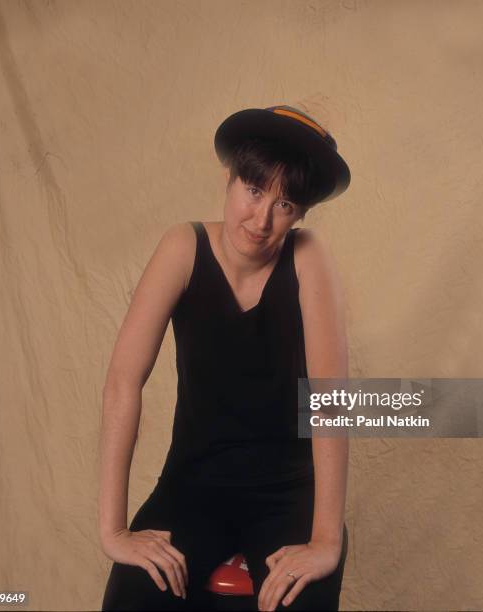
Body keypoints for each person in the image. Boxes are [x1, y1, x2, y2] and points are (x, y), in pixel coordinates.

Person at [98, 105, 352, 611]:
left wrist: (326, 539)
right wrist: (113, 531)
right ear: (230, 180)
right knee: (132, 596)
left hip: (287, 494)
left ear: (300, 213)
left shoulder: (307, 257)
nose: (260, 220)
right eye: (254, 191)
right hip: (191, 488)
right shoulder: (182, 246)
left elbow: (331, 398)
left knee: (300, 600)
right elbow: (124, 381)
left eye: (283, 204)